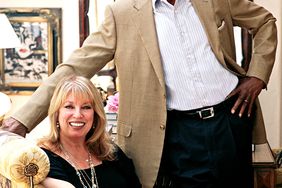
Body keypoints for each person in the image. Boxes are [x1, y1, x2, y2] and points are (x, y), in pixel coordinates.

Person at [1, 0, 277, 187]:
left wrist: (256, 76)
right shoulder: (122, 13)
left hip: (230, 119)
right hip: (177, 131)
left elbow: (265, 21)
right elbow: (75, 65)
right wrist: (22, 120)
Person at [38, 75, 141, 188]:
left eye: (86, 107)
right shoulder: (44, 160)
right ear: (57, 113)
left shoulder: (111, 152)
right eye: (69, 107)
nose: (77, 115)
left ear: (95, 114)